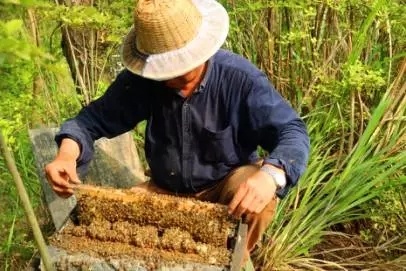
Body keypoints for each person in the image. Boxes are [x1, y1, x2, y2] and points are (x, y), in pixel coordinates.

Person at [45, 0, 310, 267]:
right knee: (115, 226)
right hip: (163, 189)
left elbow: (292, 131)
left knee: (260, 195)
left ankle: (234, 260)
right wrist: (67, 154)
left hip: (224, 187)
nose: (165, 77)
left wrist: (272, 176)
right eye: (160, 69)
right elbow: (90, 120)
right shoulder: (141, 82)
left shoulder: (240, 80)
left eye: (173, 67)